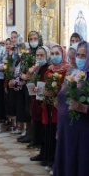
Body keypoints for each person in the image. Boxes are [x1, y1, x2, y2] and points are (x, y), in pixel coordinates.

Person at [30, 45, 70, 169]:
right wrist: (39, 90)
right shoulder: (50, 70)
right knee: (47, 130)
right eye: (52, 54)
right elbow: (44, 86)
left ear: (62, 55)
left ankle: (54, 159)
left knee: (54, 131)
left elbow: (66, 89)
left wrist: (55, 93)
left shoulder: (66, 70)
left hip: (58, 106)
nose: (54, 56)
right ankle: (46, 155)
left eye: (57, 53)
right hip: (47, 105)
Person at [53, 41, 89, 176]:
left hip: (83, 131)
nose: (79, 58)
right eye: (78, 55)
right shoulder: (75, 73)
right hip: (67, 130)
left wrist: (84, 107)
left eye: (83, 55)